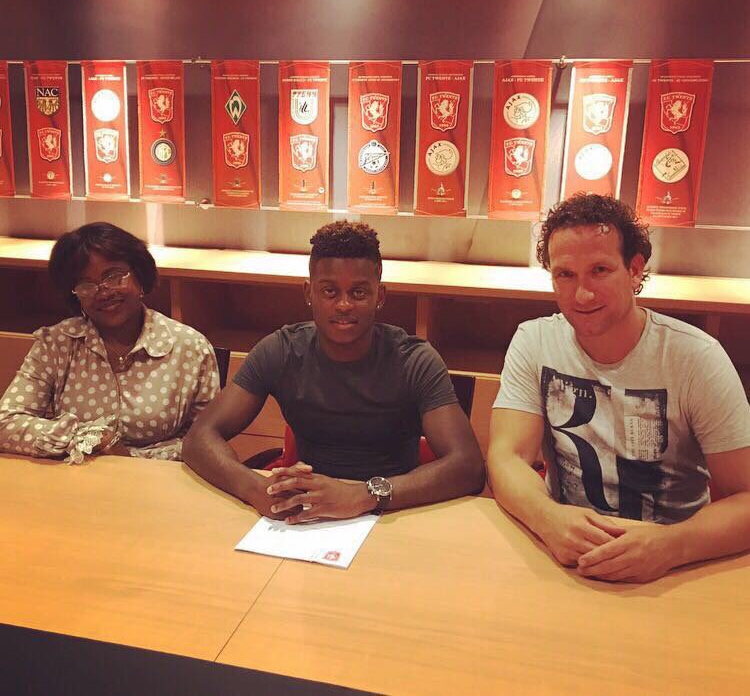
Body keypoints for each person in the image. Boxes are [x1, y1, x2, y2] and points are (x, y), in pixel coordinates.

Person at [488, 193, 750, 583]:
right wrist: (548, 518)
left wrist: (673, 546)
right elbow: (506, 457)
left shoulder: (696, 357)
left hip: (672, 570)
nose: (582, 294)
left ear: (635, 270)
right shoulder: (534, 341)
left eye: (600, 270)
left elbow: (745, 498)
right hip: (565, 560)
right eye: (565, 275)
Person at [183, 221, 485, 522]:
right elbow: (199, 438)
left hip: (394, 511)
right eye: (329, 291)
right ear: (308, 292)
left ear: (380, 296)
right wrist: (253, 488)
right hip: (305, 514)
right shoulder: (281, 350)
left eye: (358, 292)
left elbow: (468, 466)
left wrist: (364, 495)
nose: (343, 305)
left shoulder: (414, 360)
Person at [0, 222, 219, 463]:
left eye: (114, 276)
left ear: (139, 274)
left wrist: (130, 459)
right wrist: (92, 439)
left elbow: (207, 441)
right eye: (86, 284)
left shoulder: (189, 347)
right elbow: (6, 423)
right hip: (78, 478)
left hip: (160, 479)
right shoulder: (57, 343)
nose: (103, 292)